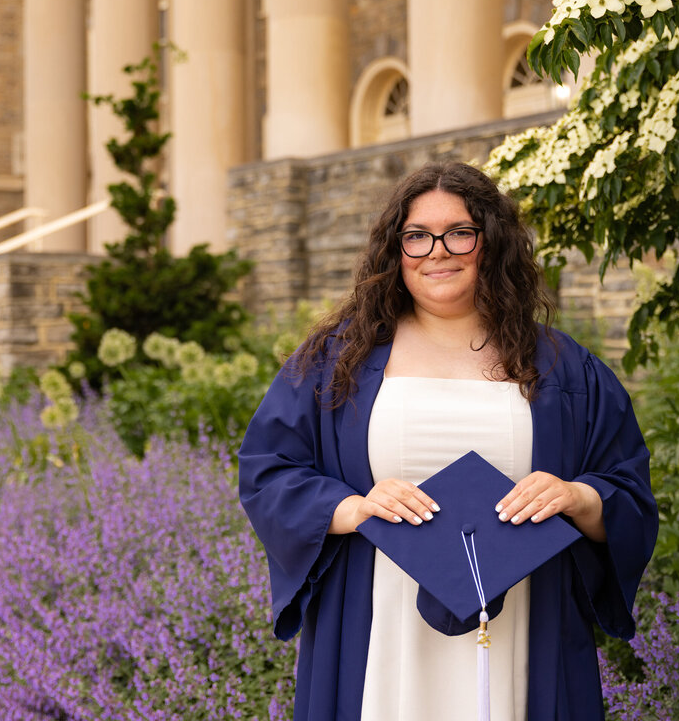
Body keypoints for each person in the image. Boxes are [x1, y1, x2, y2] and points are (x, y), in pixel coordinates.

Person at [237, 161, 657, 721]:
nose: (438, 250)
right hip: (379, 616)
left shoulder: (564, 370)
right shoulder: (337, 363)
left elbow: (628, 492)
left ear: (492, 243)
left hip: (524, 618)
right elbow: (269, 470)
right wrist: (352, 507)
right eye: (417, 236)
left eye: (460, 232)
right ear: (396, 251)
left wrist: (579, 498)